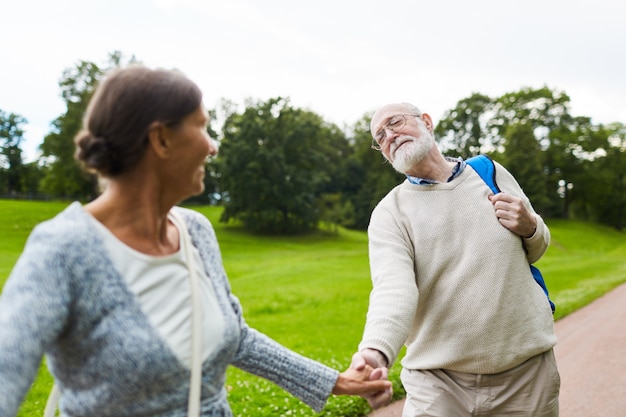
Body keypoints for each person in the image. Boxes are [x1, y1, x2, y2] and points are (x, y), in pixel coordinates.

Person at [0, 65, 391, 417]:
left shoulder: (196, 231)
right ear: (161, 140)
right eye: (202, 126)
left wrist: (336, 381)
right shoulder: (62, 250)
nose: (212, 145)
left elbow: (235, 337)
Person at [351, 102, 560, 416]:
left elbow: (536, 246)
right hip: (438, 384)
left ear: (426, 122)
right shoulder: (390, 214)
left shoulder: (488, 172)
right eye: (380, 136)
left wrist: (530, 226)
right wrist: (375, 352)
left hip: (526, 376)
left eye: (395, 122)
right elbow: (393, 289)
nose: (390, 135)